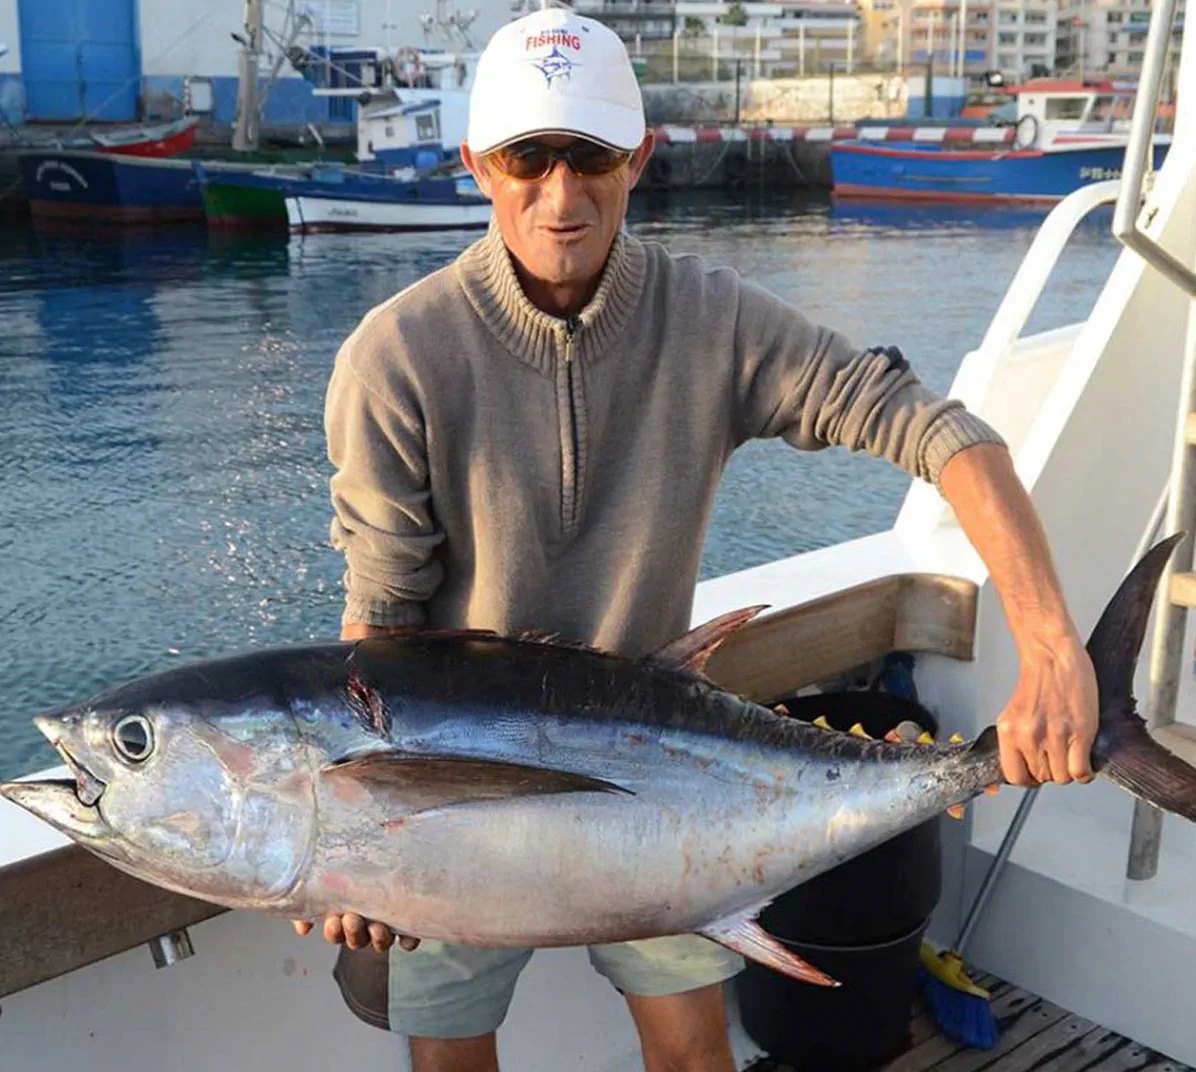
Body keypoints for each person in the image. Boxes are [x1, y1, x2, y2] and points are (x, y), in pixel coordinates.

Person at [295, 9, 1100, 1071]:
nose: (560, 193)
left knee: (691, 1054)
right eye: (527, 158)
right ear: (477, 165)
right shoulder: (393, 359)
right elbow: (383, 627)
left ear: (637, 155)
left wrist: (1049, 644)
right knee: (451, 1055)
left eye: (587, 156)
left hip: (661, 772)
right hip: (459, 783)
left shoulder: (711, 324)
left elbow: (931, 426)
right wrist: (358, 845)